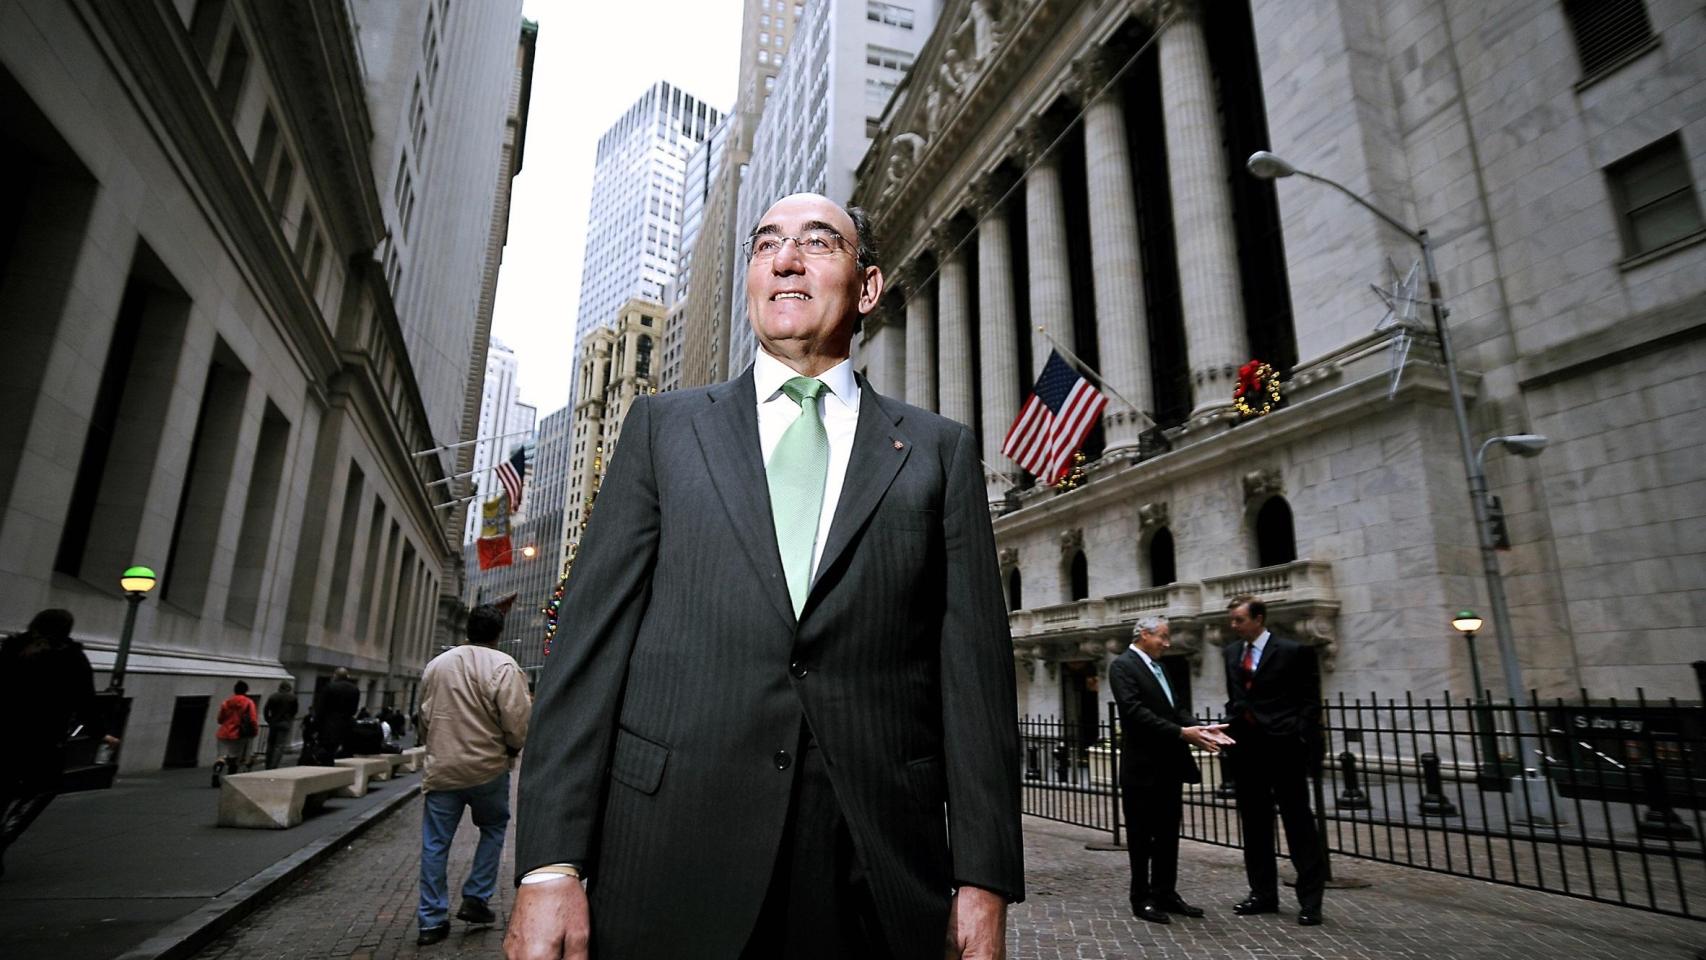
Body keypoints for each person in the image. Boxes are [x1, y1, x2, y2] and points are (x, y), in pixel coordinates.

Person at [507, 194, 1024, 960]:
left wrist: (983, 879)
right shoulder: (662, 430)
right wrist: (550, 864)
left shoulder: (939, 453)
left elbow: (973, 680)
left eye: (818, 242)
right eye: (766, 244)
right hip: (666, 861)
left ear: (869, 287)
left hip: (872, 875)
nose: (786, 259)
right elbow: (586, 656)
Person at [416, 604, 531, 947]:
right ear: (498, 633)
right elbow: (517, 721)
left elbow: (424, 716)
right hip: (487, 769)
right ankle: (476, 897)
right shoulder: (504, 666)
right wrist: (512, 747)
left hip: (443, 769)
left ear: (467, 629)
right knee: (494, 829)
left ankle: (431, 922)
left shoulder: (437, 665)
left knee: (435, 844)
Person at [1108, 617, 1232, 925]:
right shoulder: (1122, 666)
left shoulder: (1160, 668)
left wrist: (1200, 729)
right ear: (1145, 634)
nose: (1167, 643)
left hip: (1168, 766)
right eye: (1162, 636)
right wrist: (1181, 733)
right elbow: (1134, 712)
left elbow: (1176, 708)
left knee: (1167, 834)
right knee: (1140, 836)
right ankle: (1141, 897)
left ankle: (1165, 892)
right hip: (1141, 768)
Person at [1222, 596, 1326, 926]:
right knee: (1254, 825)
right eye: (1232, 620)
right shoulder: (1231, 653)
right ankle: (1262, 894)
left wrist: (1298, 735)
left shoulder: (1294, 651)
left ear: (1259, 618)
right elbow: (1237, 696)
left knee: (1298, 824)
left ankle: (1310, 901)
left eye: (1239, 619)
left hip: (1284, 748)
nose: (1233, 625)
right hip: (1247, 750)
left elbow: (1310, 702)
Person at [0, 609, 101, 879]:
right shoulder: (70, 657)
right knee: (43, 788)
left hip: (6, 731)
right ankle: (5, 835)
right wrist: (99, 731)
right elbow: (86, 699)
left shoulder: (12, 648)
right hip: (43, 735)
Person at [309, 667, 361, 763]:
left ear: (336, 675)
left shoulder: (329, 687)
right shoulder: (355, 689)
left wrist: (315, 725)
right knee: (344, 753)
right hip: (347, 723)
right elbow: (354, 709)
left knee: (328, 751)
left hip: (330, 724)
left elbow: (321, 708)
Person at [213, 681, 259, 785]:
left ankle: (216, 773)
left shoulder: (226, 702)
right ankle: (230, 778)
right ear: (246, 690)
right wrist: (255, 731)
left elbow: (220, 719)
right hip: (238, 733)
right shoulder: (248, 702)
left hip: (223, 732)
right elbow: (252, 719)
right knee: (234, 757)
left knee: (221, 756)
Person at [262, 680, 298, 770]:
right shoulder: (292, 697)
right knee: (279, 746)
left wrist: (268, 720)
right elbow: (294, 710)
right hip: (285, 723)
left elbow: (266, 709)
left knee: (271, 744)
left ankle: (268, 763)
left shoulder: (273, 696)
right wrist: (290, 719)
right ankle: (274, 766)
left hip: (273, 722)